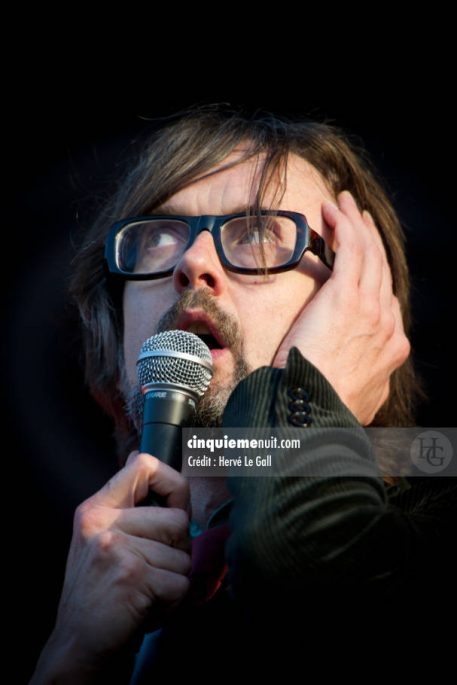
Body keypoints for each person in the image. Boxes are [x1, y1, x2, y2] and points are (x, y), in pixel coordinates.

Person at [31, 107, 456, 683]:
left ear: (360, 305)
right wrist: (71, 660)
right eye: (158, 235)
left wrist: (308, 386)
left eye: (259, 231)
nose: (193, 261)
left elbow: (299, 567)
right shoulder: (97, 612)